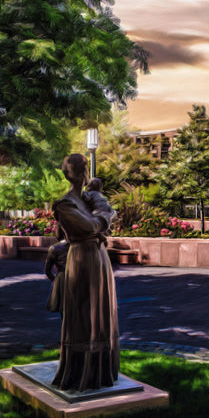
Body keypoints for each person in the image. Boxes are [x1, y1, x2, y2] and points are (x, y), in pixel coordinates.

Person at [50, 153, 119, 391]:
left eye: (84, 168)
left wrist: (101, 211)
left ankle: (101, 372)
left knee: (100, 315)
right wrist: (103, 215)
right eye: (77, 169)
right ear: (70, 174)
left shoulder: (88, 200)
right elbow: (90, 225)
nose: (82, 173)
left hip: (99, 258)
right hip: (81, 259)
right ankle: (79, 374)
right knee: (83, 315)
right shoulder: (64, 204)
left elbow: (107, 216)